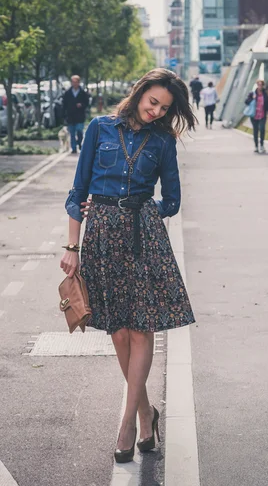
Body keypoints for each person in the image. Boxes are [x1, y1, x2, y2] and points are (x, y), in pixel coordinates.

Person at [60, 68, 196, 464]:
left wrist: (144, 211)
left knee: (142, 327)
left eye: (165, 107)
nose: (156, 111)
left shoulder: (163, 141)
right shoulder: (100, 129)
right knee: (117, 330)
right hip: (101, 235)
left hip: (142, 235)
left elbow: (171, 199)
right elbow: (77, 192)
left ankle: (127, 424)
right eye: (153, 102)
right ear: (139, 93)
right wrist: (72, 246)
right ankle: (145, 412)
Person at [62, 75, 90, 154]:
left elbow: (87, 103)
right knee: (72, 132)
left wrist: (82, 105)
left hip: (80, 116)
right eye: (73, 82)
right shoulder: (67, 93)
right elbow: (64, 104)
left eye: (76, 82)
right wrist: (64, 115)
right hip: (70, 116)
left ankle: (80, 144)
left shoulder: (83, 92)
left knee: (79, 130)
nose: (74, 84)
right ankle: (73, 148)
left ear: (78, 82)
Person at [245, 79, 268, 153]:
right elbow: (246, 102)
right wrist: (252, 99)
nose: (260, 86)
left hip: (262, 115)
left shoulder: (265, 94)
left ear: (263, 86)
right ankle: (256, 146)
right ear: (257, 85)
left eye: (261, 85)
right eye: (259, 84)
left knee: (262, 129)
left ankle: (262, 145)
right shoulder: (252, 93)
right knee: (255, 130)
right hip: (254, 115)